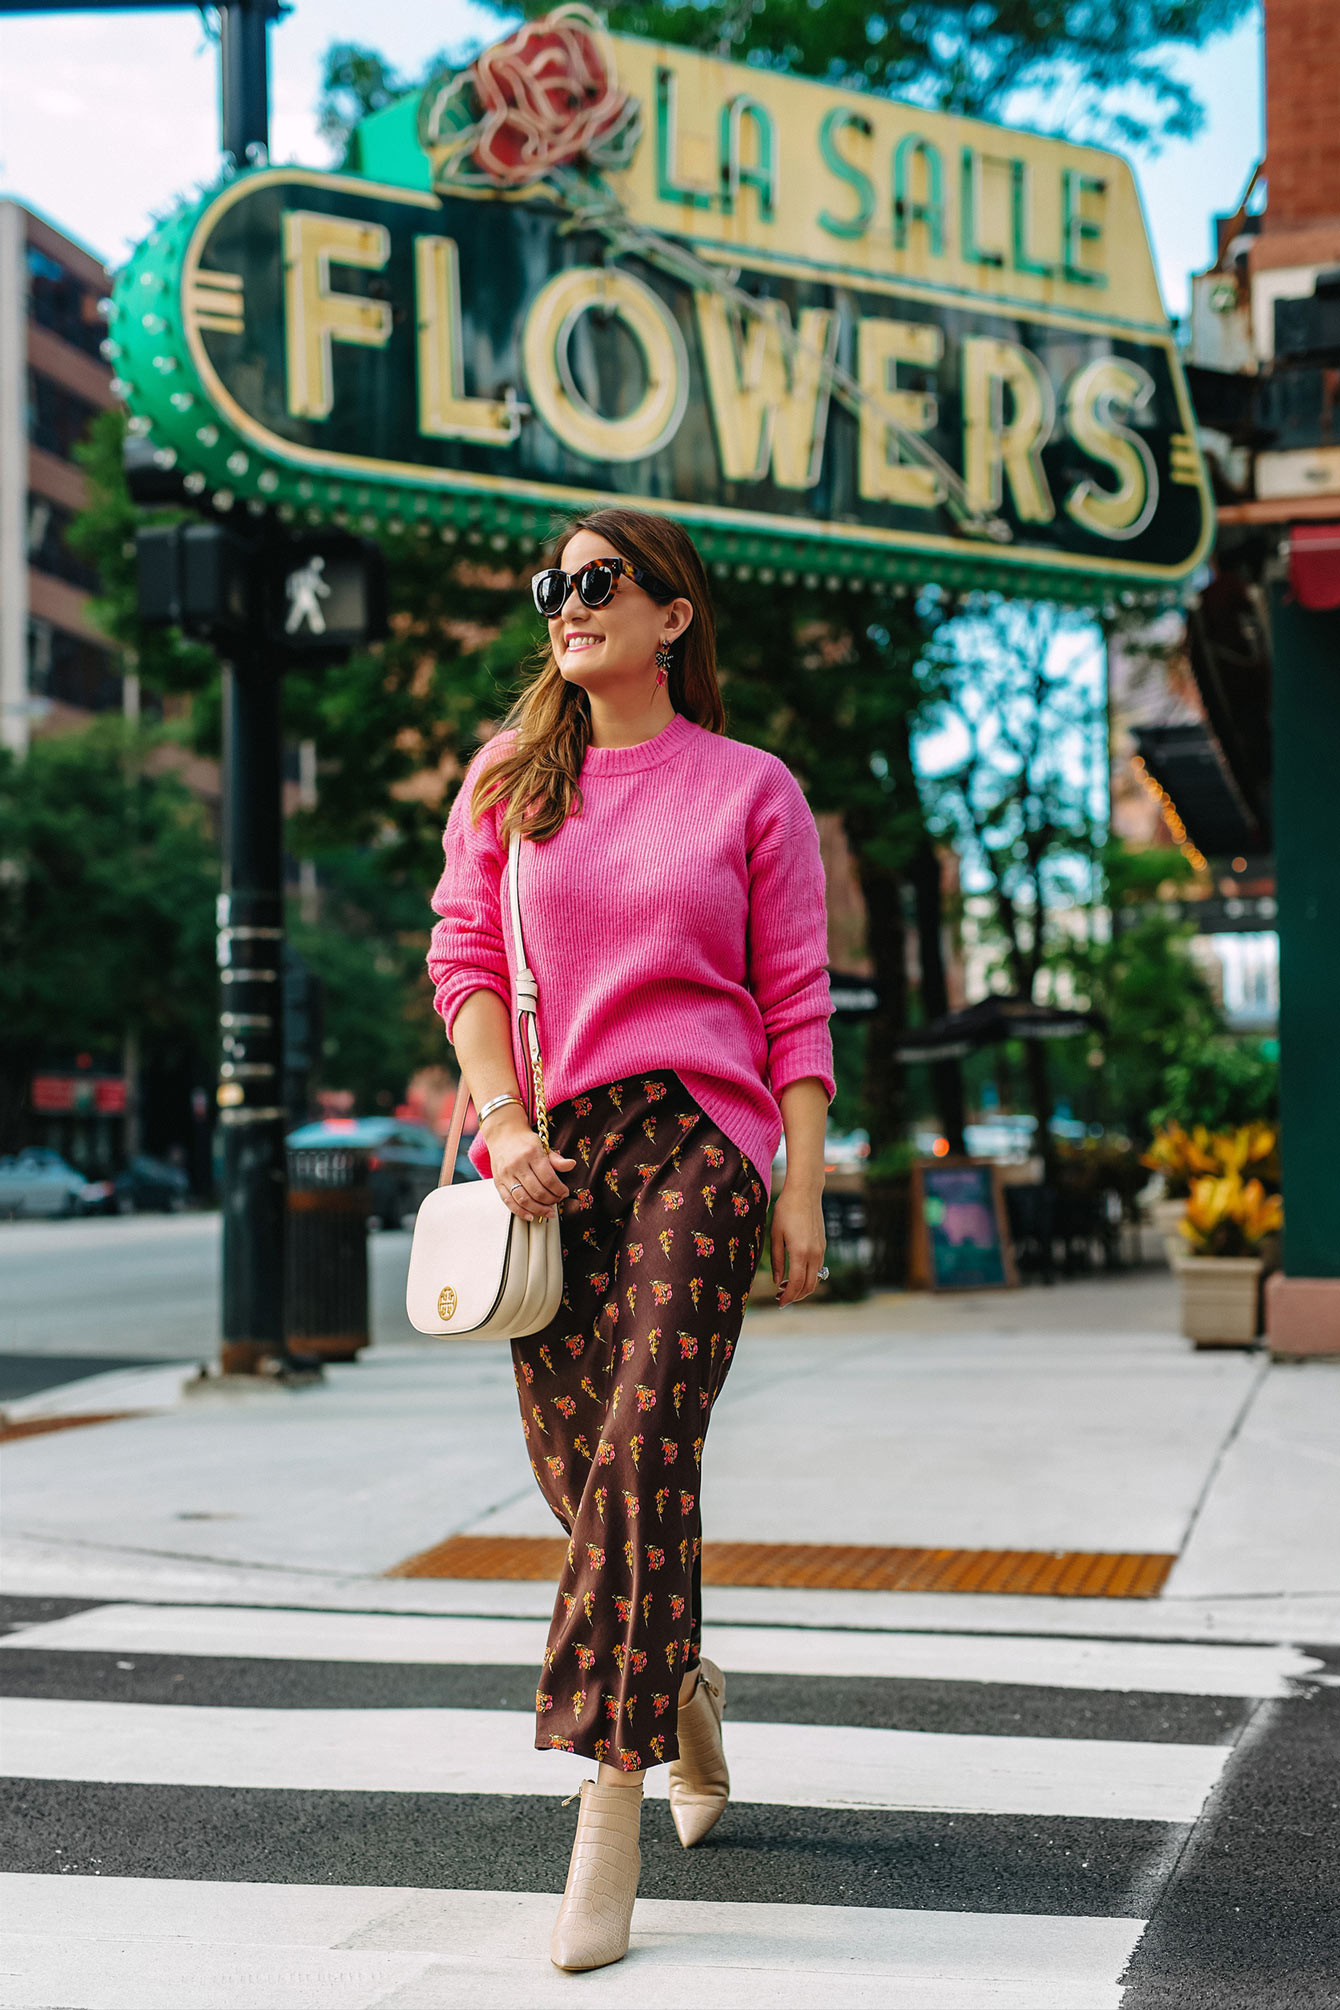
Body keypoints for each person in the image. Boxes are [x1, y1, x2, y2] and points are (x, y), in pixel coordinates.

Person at [427, 506, 834, 1973]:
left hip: (702, 1146)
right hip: (559, 1150)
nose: (568, 604)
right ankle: (686, 1685)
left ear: (673, 615)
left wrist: (798, 1180)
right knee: (580, 1464)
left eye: (599, 582)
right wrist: (499, 1116)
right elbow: (464, 957)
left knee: (646, 1437)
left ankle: (609, 1798)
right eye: (555, 584)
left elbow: (795, 996)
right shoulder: (511, 777)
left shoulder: (752, 790)